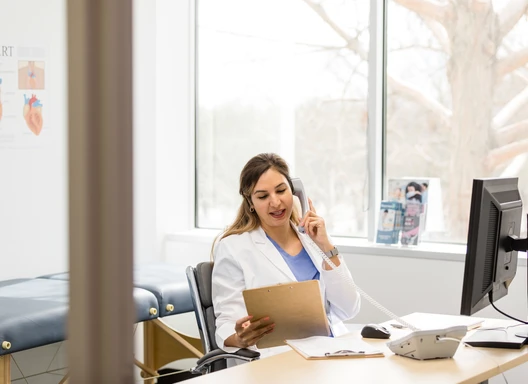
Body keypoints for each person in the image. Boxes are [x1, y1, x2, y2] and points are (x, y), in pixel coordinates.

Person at [211, 153, 361, 365]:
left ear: (295, 191)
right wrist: (239, 337)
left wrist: (326, 246)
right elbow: (227, 322)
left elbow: (349, 308)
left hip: (331, 353)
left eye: (281, 190)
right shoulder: (234, 247)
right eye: (262, 196)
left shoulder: (312, 239)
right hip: (278, 359)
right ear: (250, 202)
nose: (275, 202)